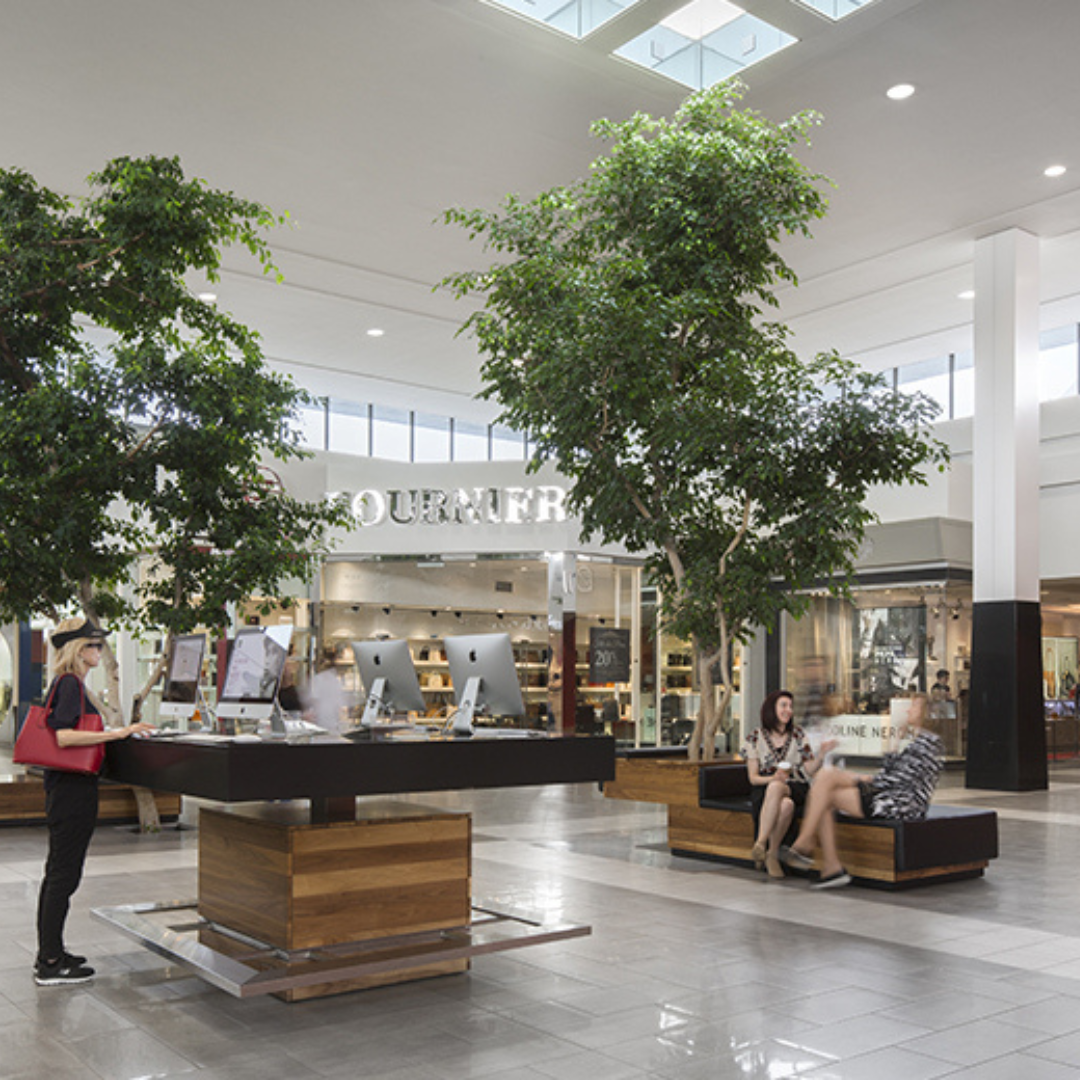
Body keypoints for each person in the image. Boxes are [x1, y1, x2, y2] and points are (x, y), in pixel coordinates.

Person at [35, 618, 153, 986]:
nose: (99, 652)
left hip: (65, 789)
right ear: (78, 649)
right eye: (94, 645)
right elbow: (65, 736)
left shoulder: (68, 683)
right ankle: (50, 962)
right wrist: (120, 733)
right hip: (72, 790)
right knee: (63, 876)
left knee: (59, 873)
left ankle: (51, 952)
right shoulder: (70, 683)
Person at [781, 693, 942, 889]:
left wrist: (860, 778)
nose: (908, 710)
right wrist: (894, 743)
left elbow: (897, 781)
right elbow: (892, 773)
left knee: (826, 777)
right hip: (891, 795)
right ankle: (829, 865)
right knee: (824, 791)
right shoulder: (919, 741)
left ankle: (806, 843)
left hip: (898, 804)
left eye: (914, 706)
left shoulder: (927, 744)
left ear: (925, 713)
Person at [742, 691, 831, 879]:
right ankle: (772, 854)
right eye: (783, 705)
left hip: (795, 786)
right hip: (764, 788)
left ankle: (760, 842)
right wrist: (773, 778)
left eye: (790, 706)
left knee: (778, 788)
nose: (788, 710)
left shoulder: (798, 735)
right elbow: (753, 778)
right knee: (785, 805)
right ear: (771, 709)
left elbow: (809, 770)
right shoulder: (755, 738)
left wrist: (822, 754)